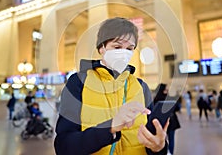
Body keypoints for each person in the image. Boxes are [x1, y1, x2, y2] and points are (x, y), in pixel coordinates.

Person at [54, 17, 169, 155]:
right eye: (117, 47)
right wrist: (109, 127)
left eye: (130, 48)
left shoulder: (141, 87)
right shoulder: (79, 82)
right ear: (101, 47)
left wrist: (159, 148)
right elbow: (63, 146)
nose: (124, 53)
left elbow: (150, 143)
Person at [154, 84, 181, 155]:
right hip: (172, 121)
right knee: (171, 139)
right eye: (166, 89)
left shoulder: (156, 99)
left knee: (162, 140)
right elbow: (177, 108)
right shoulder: (170, 98)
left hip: (161, 122)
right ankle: (170, 153)